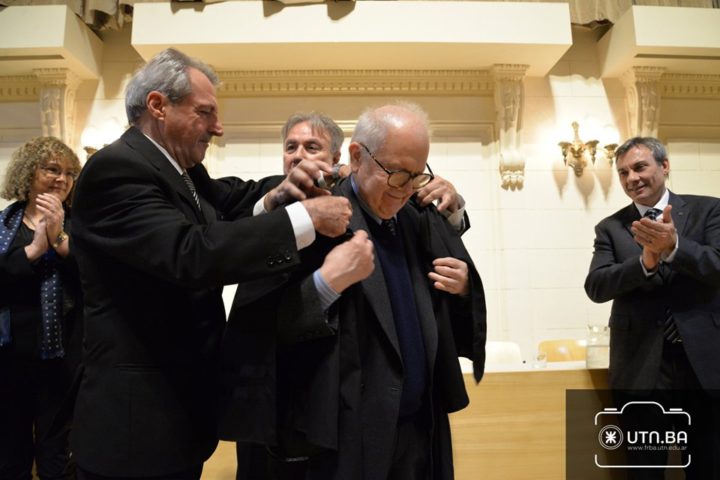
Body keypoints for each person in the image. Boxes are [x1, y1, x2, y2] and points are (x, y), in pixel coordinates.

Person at [69, 48, 351, 480]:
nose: (218, 128)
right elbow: (191, 253)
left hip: (177, 418)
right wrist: (306, 217)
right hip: (134, 429)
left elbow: (238, 198)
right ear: (158, 106)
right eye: (205, 113)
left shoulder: (181, 170)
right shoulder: (116, 170)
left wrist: (337, 178)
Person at [220, 102, 487, 480]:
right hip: (340, 443)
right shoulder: (309, 215)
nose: (405, 189)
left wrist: (459, 288)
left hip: (416, 432)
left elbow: (455, 290)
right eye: (395, 173)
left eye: (416, 174)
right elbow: (259, 328)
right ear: (357, 156)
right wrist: (325, 285)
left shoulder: (416, 215)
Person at [584, 137, 720, 479]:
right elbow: (596, 286)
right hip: (642, 371)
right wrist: (644, 263)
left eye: (640, 167)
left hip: (703, 368)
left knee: (709, 467)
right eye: (623, 172)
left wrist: (675, 247)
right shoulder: (611, 229)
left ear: (664, 166)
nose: (632, 178)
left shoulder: (709, 211)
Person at [0, 136, 83, 480]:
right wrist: (33, 251)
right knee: (9, 456)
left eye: (69, 173)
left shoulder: (82, 225)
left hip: (62, 361)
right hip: (8, 360)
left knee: (57, 459)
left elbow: (97, 278)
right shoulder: (3, 224)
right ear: (28, 172)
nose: (62, 179)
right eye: (52, 169)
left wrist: (60, 239)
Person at [280, 111, 469, 231]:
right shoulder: (266, 199)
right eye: (290, 147)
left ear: (336, 157)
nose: (297, 156)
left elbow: (438, 243)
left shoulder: (383, 191)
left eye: (311, 148)